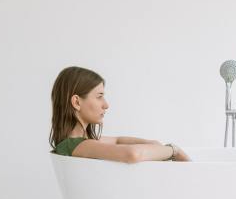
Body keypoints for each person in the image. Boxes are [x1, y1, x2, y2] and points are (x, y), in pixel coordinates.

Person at [49, 66, 192, 163]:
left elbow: (118, 140)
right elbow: (132, 154)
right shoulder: (76, 145)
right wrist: (173, 150)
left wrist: (152, 143)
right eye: (99, 96)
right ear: (77, 102)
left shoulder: (77, 143)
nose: (106, 105)